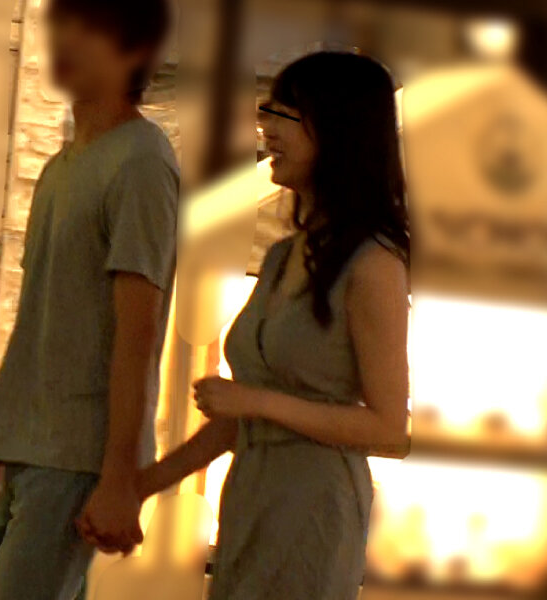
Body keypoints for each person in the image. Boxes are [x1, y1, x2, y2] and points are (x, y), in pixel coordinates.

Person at [133, 52, 410, 600]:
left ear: (337, 131)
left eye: (286, 114)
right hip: (251, 494)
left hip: (313, 504)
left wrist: (258, 403)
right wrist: (141, 485)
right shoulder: (285, 255)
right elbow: (239, 418)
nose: (267, 127)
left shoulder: (374, 263)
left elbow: (389, 430)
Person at [0, 1, 177, 598]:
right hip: (30, 447)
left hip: (78, 454)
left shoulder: (142, 161)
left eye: (88, 28)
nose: (65, 41)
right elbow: (40, 324)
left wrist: (118, 477)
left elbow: (137, 336)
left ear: (133, 49)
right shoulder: (59, 168)